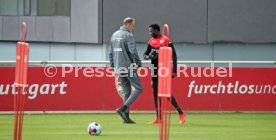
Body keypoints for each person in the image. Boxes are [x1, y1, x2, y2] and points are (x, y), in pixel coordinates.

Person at [144, 24, 186, 124]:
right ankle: (159, 118)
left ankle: (181, 113)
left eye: (151, 31)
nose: (150, 33)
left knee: (165, 93)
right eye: (149, 31)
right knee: (155, 93)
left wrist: (175, 70)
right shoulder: (151, 41)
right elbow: (145, 54)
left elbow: (174, 56)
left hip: (164, 69)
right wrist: (148, 57)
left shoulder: (166, 40)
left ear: (157, 30)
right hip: (154, 69)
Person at [109, 17, 143, 124]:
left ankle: (126, 118)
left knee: (127, 92)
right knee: (139, 88)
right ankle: (123, 109)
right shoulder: (128, 35)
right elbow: (133, 51)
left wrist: (113, 67)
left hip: (119, 67)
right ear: (128, 24)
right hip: (128, 66)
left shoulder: (114, 35)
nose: (134, 26)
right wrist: (138, 63)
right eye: (133, 24)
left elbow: (110, 53)